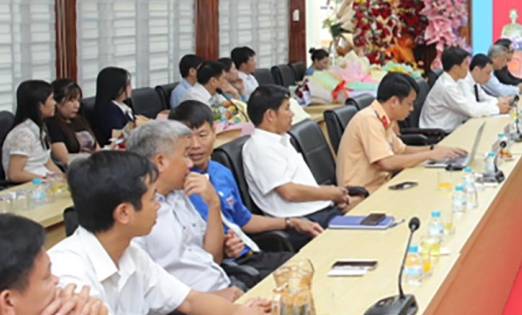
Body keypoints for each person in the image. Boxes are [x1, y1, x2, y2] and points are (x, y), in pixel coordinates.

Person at [49, 150, 275, 315]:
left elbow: (190, 301)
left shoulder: (131, 254)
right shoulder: (68, 272)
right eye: (152, 198)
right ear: (124, 213)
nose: (158, 205)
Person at [170, 101, 324, 254]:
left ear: (214, 133)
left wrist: (291, 222)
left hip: (249, 251)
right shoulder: (176, 185)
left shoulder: (221, 172)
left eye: (202, 135)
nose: (195, 145)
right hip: (221, 262)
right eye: (187, 138)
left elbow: (244, 220)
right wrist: (223, 251)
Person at [125, 120, 243, 299]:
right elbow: (148, 297)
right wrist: (212, 302)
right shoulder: (136, 215)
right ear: (160, 162)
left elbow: (213, 258)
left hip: (223, 284)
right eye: (185, 155)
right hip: (196, 307)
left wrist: (213, 205)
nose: (190, 163)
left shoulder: (180, 194)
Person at [337, 73, 467, 193]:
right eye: (409, 104)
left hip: (380, 186)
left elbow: (402, 150)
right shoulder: (369, 120)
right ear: (393, 101)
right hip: (361, 195)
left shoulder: (383, 118)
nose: (411, 109)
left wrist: (434, 149)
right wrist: (429, 155)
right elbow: (386, 162)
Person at [243, 85, 354, 224]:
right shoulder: (260, 147)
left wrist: (333, 194)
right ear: (270, 115)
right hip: (304, 220)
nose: (292, 114)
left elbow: (302, 184)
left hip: (320, 209)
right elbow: (290, 192)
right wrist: (330, 194)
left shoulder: (281, 139)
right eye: (287, 108)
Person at [420, 46, 509, 132]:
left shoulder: (456, 80)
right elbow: (471, 110)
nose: (468, 68)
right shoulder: (446, 87)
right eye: (465, 64)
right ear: (455, 68)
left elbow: (478, 101)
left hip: (454, 128)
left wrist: (498, 104)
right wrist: (497, 108)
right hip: (438, 134)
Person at [3, 80, 63, 183]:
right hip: (29, 185)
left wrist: (63, 178)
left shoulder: (39, 128)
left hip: (45, 181)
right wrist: (46, 179)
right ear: (40, 105)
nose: (55, 103)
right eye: (51, 99)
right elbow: (14, 174)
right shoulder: (23, 134)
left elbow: (47, 162)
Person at [47, 79, 98, 167]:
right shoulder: (52, 124)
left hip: (94, 165)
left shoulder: (80, 120)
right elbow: (65, 159)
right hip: (77, 168)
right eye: (71, 100)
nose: (77, 105)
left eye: (78, 100)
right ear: (56, 102)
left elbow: (97, 148)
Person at [91, 67, 134, 146]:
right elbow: (119, 135)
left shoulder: (125, 106)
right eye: (127, 84)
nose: (131, 87)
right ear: (117, 87)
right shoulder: (108, 110)